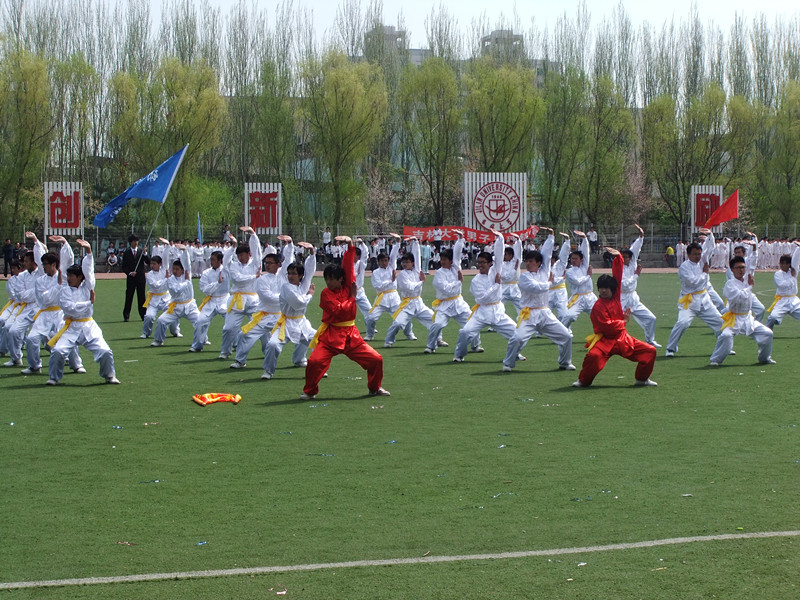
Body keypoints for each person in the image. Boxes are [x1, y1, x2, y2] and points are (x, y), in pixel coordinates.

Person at [302, 237, 389, 400]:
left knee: (376, 359)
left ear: (340, 279)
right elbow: (337, 310)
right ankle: (309, 391)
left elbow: (349, 268)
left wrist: (350, 245)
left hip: (351, 335)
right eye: (327, 279)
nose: (328, 282)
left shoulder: (347, 286)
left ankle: (375, 388)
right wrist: (352, 298)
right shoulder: (326, 293)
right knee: (314, 361)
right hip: (331, 335)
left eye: (332, 279)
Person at [573, 247, 657, 387]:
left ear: (613, 289)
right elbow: (607, 327)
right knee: (593, 356)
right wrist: (623, 321)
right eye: (601, 288)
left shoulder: (615, 297)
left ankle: (642, 379)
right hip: (605, 341)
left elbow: (617, 274)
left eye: (606, 288)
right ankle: (583, 381)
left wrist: (618, 257)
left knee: (649, 351)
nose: (603, 291)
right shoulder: (598, 306)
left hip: (623, 339)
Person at [46, 238, 119, 385]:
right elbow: (70, 308)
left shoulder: (87, 287)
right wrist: (89, 302)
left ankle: (109, 375)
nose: (69, 278)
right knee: (58, 351)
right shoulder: (64, 291)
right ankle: (54, 377)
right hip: (70, 326)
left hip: (88, 326)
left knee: (105, 351)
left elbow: (89, 272)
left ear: (80, 277)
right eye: (68, 276)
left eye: (71, 276)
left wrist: (89, 252)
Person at [502, 227, 575, 372]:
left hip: (545, 313)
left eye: (531, 261)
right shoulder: (524, 277)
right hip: (528, 314)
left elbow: (546, 255)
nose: (528, 264)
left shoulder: (544, 271)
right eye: (527, 261)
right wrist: (549, 283)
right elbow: (536, 288)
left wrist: (551, 237)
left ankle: (565, 362)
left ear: (538, 263)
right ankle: (508, 363)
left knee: (566, 336)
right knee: (517, 338)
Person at [21, 235, 84, 375]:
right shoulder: (40, 281)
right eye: (43, 264)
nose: (43, 267)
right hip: (44, 314)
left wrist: (64, 242)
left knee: (68, 335)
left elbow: (68, 260)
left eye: (45, 264)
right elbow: (45, 299)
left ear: (53, 265)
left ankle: (76, 364)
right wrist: (58, 286)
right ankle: (34, 366)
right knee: (32, 338)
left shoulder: (64, 276)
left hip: (60, 313)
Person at [453, 230, 519, 363]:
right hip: (482, 312)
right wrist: (496, 286)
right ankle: (459, 355)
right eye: (479, 262)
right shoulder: (476, 280)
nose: (480, 265)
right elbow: (482, 299)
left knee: (517, 334)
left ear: (490, 263)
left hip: (497, 311)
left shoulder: (495, 271)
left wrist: (500, 238)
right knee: (465, 332)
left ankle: (515, 354)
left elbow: (499, 255)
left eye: (483, 262)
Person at [229, 240, 293, 372]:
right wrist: (284, 298)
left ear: (278, 264)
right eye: (266, 263)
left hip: (281, 317)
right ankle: (240, 360)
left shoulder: (283, 276)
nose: (267, 265)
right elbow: (267, 297)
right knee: (244, 334)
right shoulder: (261, 279)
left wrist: (290, 244)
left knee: (303, 336)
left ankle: (300, 359)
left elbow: (288, 261)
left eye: (270, 263)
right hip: (264, 316)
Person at [262, 241, 317, 380]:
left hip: (301, 322)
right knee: (273, 344)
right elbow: (298, 303)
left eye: (294, 274)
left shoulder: (303, 285)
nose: (291, 276)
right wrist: (310, 295)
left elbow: (309, 271)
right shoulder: (286, 287)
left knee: (319, 341)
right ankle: (268, 371)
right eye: (289, 273)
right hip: (286, 323)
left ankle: (316, 367)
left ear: (300, 276)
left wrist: (311, 253)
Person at [664, 228, 723, 357]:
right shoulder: (684, 267)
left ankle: (723, 347)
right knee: (683, 323)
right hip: (689, 302)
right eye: (695, 254)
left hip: (704, 300)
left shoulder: (702, 260)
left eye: (699, 254)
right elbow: (693, 282)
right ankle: (670, 348)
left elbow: (710, 248)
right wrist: (705, 273)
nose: (697, 256)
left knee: (720, 323)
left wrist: (710, 235)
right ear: (688, 254)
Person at [709, 256, 775, 366]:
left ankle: (764, 358)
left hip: (747, 318)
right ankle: (715, 359)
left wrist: (754, 249)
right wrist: (749, 287)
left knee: (767, 333)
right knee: (726, 336)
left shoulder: (746, 280)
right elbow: (739, 297)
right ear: (732, 269)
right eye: (738, 268)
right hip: (734, 318)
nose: (741, 270)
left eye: (743, 267)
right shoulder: (730, 284)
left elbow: (752, 261)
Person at [425, 230, 480, 354]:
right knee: (437, 325)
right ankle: (430, 346)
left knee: (472, 321)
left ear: (451, 261)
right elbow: (446, 289)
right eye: (442, 259)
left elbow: (457, 254)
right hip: (444, 304)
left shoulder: (455, 268)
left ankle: (475, 345)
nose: (443, 261)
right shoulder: (439, 273)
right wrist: (459, 282)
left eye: (445, 259)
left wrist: (460, 239)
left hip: (458, 302)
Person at [384, 236, 436, 348]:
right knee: (398, 323)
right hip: (407, 304)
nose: (404, 264)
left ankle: (439, 339)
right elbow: (409, 287)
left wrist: (415, 242)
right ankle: (389, 340)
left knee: (434, 318)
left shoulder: (416, 270)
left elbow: (417, 256)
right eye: (403, 262)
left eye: (407, 262)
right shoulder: (402, 275)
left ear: (412, 263)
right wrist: (421, 282)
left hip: (418, 302)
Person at [219, 227, 262, 359]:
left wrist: (253, 234)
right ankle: (225, 351)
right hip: (236, 300)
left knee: (262, 327)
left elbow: (257, 250)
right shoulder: (234, 265)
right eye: (238, 256)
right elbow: (237, 279)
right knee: (228, 328)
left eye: (242, 255)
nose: (240, 258)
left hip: (253, 300)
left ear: (249, 254)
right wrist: (233, 246)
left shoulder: (255, 264)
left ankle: (267, 350)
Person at [364, 234, 415, 342]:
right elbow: (378, 286)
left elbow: (394, 254)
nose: (385, 263)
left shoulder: (391, 267)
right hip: (381, 299)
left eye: (386, 260)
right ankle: (370, 334)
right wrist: (390, 280)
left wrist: (398, 242)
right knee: (371, 317)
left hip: (394, 298)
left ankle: (409, 333)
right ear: (378, 262)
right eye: (382, 261)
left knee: (404, 315)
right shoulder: (376, 272)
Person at [621, 224, 661, 347]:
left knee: (651, 318)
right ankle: (610, 341)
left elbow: (635, 249)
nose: (624, 259)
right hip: (622, 299)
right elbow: (624, 285)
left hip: (633, 298)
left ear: (630, 258)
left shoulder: (632, 262)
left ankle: (650, 339)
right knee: (616, 322)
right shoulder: (618, 268)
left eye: (626, 257)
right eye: (622, 257)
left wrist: (641, 236)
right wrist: (636, 275)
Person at [150, 244, 198, 347]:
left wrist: (185, 251)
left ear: (182, 270)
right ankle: (158, 340)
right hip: (175, 307)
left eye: (177, 269)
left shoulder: (187, 274)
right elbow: (177, 290)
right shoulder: (171, 280)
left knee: (200, 321)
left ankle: (202, 339)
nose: (175, 271)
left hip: (190, 306)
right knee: (161, 321)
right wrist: (186, 282)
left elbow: (187, 264)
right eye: (174, 269)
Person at [3, 234, 39, 367]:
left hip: (41, 308)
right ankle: (16, 358)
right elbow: (20, 295)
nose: (24, 263)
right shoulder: (21, 276)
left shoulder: (41, 274)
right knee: (12, 330)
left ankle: (68, 358)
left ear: (34, 262)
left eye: (26, 261)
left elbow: (38, 293)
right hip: (25, 308)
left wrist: (35, 241)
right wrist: (36, 292)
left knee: (48, 337)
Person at [190, 250, 231, 352]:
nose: (211, 261)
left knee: (232, 322)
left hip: (225, 299)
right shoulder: (206, 273)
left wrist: (232, 247)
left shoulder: (226, 270)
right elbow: (205, 289)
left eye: (213, 259)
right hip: (211, 300)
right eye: (211, 259)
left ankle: (235, 343)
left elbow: (228, 258)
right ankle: (197, 345)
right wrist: (217, 283)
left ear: (220, 260)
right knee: (200, 321)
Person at [560, 231, 597, 331]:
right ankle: (561, 333)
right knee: (570, 316)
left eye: (576, 258)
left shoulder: (584, 267)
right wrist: (588, 276)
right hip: (577, 298)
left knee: (600, 315)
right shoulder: (569, 272)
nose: (574, 260)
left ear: (581, 260)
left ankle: (605, 334)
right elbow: (577, 282)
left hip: (590, 297)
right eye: (572, 258)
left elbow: (585, 253)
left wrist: (584, 238)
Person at [726, 234, 766, 323]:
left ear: (744, 253)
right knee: (726, 312)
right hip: (736, 295)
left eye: (739, 252)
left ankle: (754, 326)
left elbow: (754, 258)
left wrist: (754, 247)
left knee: (761, 309)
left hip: (748, 293)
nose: (737, 254)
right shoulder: (731, 267)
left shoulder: (747, 262)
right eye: (736, 253)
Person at [140, 251, 178, 340]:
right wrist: (166, 279)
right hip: (154, 299)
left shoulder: (164, 270)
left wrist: (167, 247)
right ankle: (146, 333)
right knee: (149, 316)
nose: (152, 266)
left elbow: (165, 258)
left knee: (173, 312)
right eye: (151, 264)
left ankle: (175, 331)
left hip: (166, 298)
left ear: (160, 264)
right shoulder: (149, 275)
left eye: (154, 264)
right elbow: (155, 285)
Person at [765, 241, 800, 330]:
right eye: (781, 263)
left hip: (794, 300)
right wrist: (793, 278)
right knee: (773, 317)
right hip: (782, 301)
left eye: (784, 263)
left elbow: (795, 260)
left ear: (789, 265)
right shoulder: (778, 274)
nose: (782, 265)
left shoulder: (793, 270)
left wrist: (798, 248)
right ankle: (767, 331)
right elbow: (782, 285)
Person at [121, 234, 148, 322]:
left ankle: (143, 315)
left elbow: (148, 261)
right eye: (134, 241)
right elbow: (124, 267)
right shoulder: (127, 253)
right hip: (131, 279)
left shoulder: (141, 251)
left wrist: (145, 253)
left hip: (140, 278)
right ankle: (126, 316)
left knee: (142, 297)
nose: (136, 242)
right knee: (129, 297)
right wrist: (129, 273)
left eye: (137, 241)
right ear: (130, 242)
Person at [548, 233, 572, 318]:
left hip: (560, 292)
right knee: (543, 315)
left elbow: (564, 254)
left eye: (550, 259)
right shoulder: (544, 267)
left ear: (554, 259)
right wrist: (562, 278)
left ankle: (564, 327)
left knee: (564, 315)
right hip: (548, 292)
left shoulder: (560, 264)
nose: (549, 261)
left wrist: (567, 241)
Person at [500, 233, 523, 318]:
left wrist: (518, 241)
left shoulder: (515, 262)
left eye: (506, 254)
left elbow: (519, 253)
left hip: (514, 287)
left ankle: (522, 321)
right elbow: (504, 276)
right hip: (504, 287)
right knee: (498, 305)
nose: (504, 256)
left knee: (521, 306)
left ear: (511, 255)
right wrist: (514, 270)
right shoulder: (501, 264)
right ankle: (497, 322)